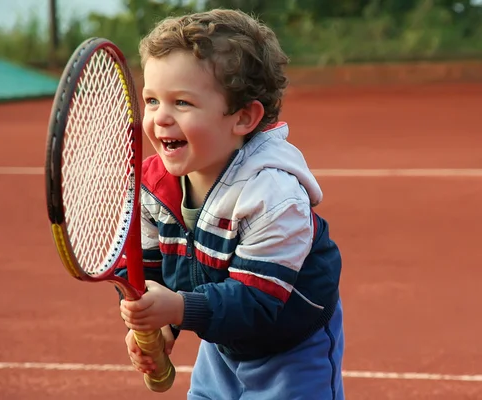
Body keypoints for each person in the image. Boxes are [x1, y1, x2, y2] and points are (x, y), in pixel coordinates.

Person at [116, 8, 344, 399]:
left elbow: (256, 302)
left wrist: (177, 308)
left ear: (243, 118)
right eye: (152, 100)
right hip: (221, 341)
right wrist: (159, 323)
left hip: (291, 346)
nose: (160, 118)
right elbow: (150, 271)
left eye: (182, 103)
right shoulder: (154, 186)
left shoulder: (273, 197)